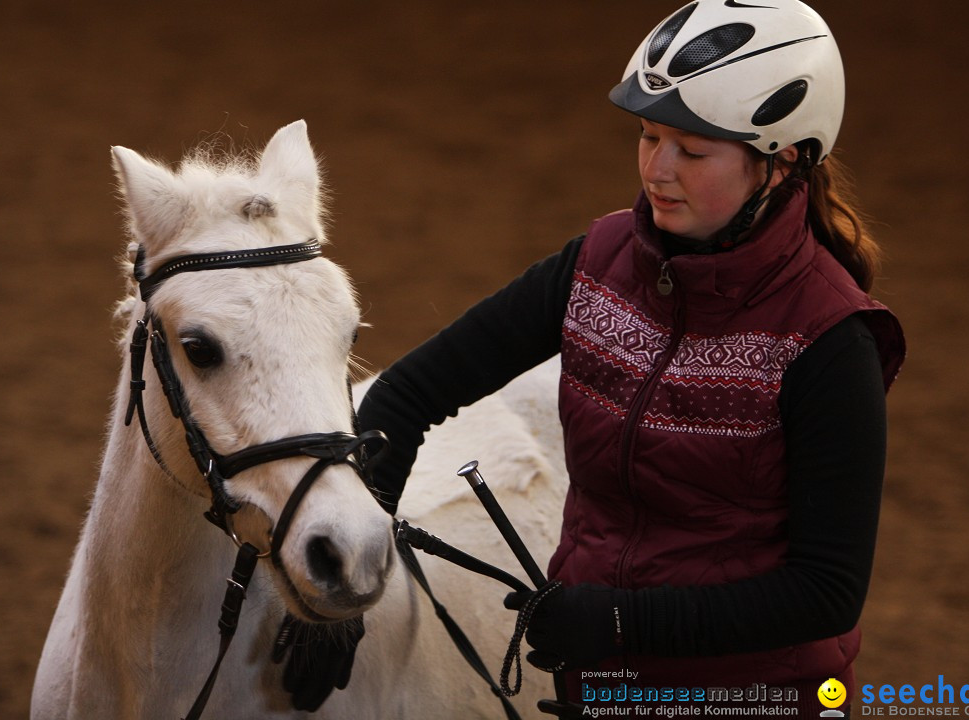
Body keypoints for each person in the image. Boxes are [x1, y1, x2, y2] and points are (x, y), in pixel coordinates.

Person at [357, 0, 905, 715]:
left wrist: (618, 623)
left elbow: (825, 592)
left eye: (693, 150)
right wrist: (346, 593)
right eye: (648, 136)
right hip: (604, 690)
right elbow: (404, 395)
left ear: (785, 161)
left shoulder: (831, 341)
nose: (658, 168)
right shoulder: (597, 262)